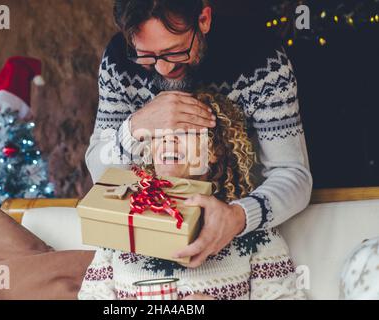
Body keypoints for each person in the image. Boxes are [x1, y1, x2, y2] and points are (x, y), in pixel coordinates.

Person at [85, 0, 312, 269]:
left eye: (174, 52)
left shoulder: (261, 59)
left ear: (203, 19)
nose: (163, 69)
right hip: (154, 224)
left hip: (241, 230)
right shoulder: (118, 60)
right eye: (146, 55)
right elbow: (100, 173)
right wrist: (135, 127)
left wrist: (238, 216)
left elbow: (294, 175)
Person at [78, 92, 306, 300]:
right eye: (159, 134)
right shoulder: (120, 224)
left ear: (214, 149)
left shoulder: (255, 233)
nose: (169, 139)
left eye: (185, 131)